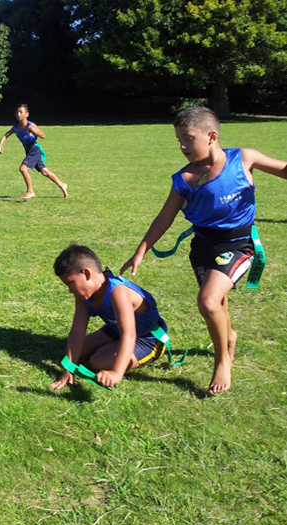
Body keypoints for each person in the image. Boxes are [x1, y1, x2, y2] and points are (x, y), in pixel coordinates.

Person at [121, 106, 287, 394]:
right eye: (179, 141)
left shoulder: (243, 158)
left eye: (188, 138)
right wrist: (141, 250)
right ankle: (229, 337)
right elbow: (164, 217)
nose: (183, 147)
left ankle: (223, 360)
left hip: (238, 244)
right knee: (217, 304)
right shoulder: (184, 179)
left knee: (208, 301)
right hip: (202, 246)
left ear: (211, 136)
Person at [51, 245, 167, 390]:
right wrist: (69, 368)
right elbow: (77, 332)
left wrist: (116, 373)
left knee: (97, 362)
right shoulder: (82, 295)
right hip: (115, 329)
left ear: (86, 273)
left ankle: (154, 352)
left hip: (146, 338)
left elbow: (129, 334)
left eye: (70, 283)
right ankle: (112, 347)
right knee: (77, 352)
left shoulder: (118, 292)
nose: (69, 290)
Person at [0, 103, 68, 199]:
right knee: (44, 172)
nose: (18, 114)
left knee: (23, 169)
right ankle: (62, 185)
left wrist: (34, 131)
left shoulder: (30, 125)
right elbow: (5, 135)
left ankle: (30, 191)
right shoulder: (16, 127)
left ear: (27, 114)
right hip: (28, 150)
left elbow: (43, 135)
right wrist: (0, 145)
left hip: (34, 150)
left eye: (21, 112)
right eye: (17, 112)